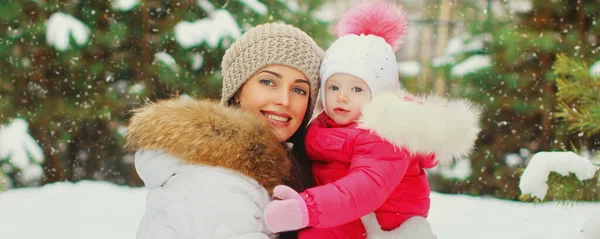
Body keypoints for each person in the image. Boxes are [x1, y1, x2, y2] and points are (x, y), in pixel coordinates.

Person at [263, 2, 482, 239]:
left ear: (379, 93)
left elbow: (365, 187)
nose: (342, 96)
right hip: (345, 222)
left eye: (357, 89)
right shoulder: (324, 125)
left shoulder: (386, 134)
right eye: (334, 86)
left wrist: (306, 208)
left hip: (382, 229)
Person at [125, 22, 324, 239]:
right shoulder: (217, 180)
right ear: (237, 90)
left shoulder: (271, 169)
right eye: (268, 82)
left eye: (299, 89)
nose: (284, 100)